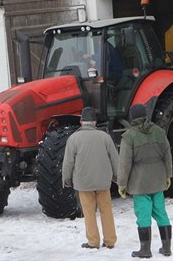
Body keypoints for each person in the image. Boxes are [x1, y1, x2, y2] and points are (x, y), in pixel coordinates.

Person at [118, 104, 173, 258]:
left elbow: (124, 163)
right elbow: (167, 156)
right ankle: (166, 247)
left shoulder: (129, 136)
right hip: (158, 179)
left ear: (132, 118)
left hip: (140, 182)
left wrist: (122, 184)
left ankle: (145, 249)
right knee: (161, 212)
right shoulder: (159, 132)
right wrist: (168, 175)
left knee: (143, 214)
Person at [62, 107, 119, 250]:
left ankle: (93, 242)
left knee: (89, 212)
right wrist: (117, 177)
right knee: (106, 210)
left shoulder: (73, 138)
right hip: (103, 181)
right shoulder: (105, 137)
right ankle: (110, 240)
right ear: (94, 122)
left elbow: (68, 161)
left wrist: (67, 178)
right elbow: (115, 158)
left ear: (81, 121)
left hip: (83, 182)